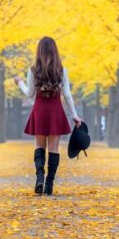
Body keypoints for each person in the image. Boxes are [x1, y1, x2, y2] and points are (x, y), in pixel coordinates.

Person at [15, 37, 82, 195]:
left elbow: (29, 93)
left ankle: (39, 178)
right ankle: (49, 184)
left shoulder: (33, 71)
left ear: (39, 51)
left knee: (39, 146)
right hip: (55, 111)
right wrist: (75, 115)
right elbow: (66, 94)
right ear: (55, 51)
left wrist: (19, 83)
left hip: (39, 110)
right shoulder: (61, 70)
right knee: (54, 148)